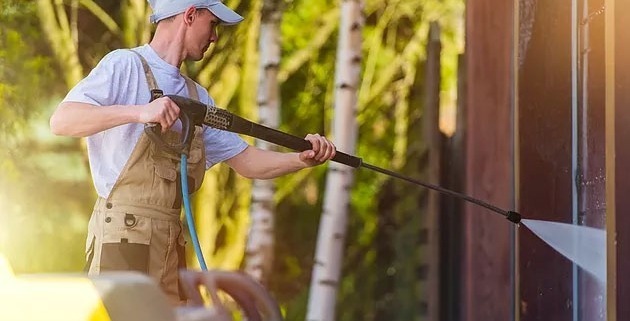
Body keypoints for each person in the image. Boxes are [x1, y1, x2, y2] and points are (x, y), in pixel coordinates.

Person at [49, 0, 336, 304]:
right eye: (212, 24)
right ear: (189, 14)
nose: (215, 36)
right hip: (124, 237)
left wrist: (301, 160)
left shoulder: (198, 99)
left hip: (171, 244)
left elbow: (247, 162)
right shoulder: (125, 65)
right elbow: (62, 120)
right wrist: (139, 112)